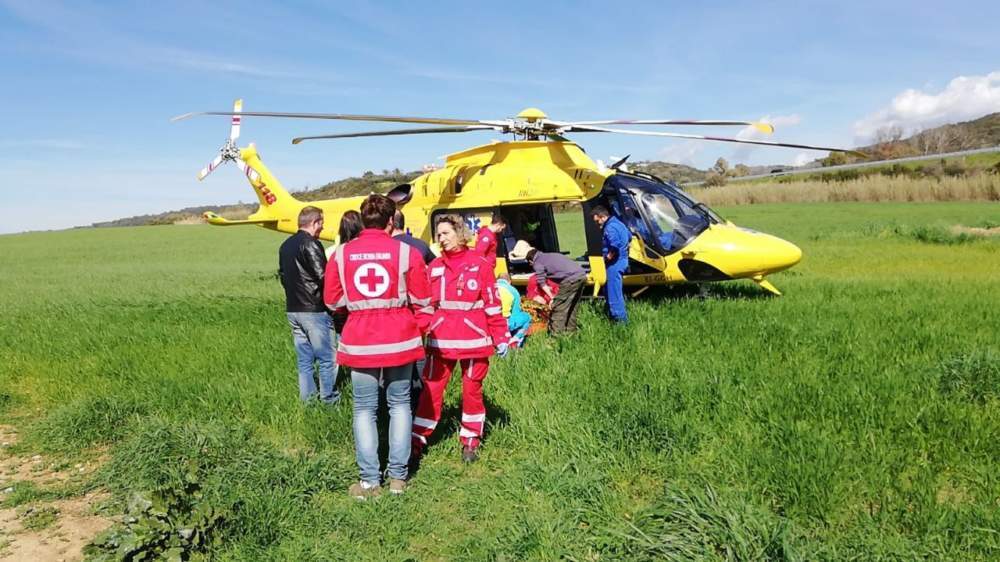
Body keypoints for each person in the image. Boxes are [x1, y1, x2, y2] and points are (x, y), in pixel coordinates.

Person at [324, 194, 433, 499]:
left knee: (363, 409)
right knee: (400, 405)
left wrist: (358, 308)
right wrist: (417, 328)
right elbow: (423, 301)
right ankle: (398, 479)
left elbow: (332, 301)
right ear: (389, 222)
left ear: (361, 220)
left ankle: (369, 482)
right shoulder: (406, 252)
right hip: (400, 338)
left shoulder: (341, 254)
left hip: (359, 342)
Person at [411, 214, 510, 463]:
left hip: (474, 342)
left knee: (471, 391)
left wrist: (501, 337)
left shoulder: (479, 264)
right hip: (440, 342)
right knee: (431, 391)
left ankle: (470, 440)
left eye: (445, 233)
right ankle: (417, 439)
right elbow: (424, 306)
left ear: (459, 233)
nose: (440, 239)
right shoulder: (433, 268)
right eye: (438, 234)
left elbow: (492, 304)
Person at [278, 206, 340, 405]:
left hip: (293, 309)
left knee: (304, 360)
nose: (322, 228)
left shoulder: (285, 246)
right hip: (314, 310)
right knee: (327, 358)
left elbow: (283, 277)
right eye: (321, 223)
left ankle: (308, 401)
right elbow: (324, 277)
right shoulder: (312, 244)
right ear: (315, 223)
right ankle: (329, 400)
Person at [525, 247, 587, 335]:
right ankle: (571, 332)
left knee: (558, 308)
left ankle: (556, 337)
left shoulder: (537, 262)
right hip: (582, 275)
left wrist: (552, 297)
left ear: (530, 261)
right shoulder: (550, 256)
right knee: (572, 306)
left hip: (570, 279)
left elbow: (542, 282)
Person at [592, 205, 630, 323]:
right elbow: (629, 237)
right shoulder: (619, 223)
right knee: (616, 291)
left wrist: (608, 258)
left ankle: (620, 322)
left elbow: (615, 245)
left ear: (603, 217)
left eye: (597, 221)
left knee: (613, 293)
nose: (597, 225)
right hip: (623, 260)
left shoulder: (610, 227)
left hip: (614, 263)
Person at [496, 273, 531, 347]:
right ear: (509, 282)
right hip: (503, 322)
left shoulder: (489, 288)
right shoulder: (512, 290)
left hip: (487, 322)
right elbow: (515, 312)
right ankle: (515, 339)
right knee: (527, 317)